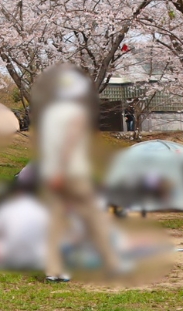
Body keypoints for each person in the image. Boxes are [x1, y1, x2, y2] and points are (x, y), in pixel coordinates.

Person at [34, 65, 122, 282]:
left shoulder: (48, 114)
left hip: (50, 174)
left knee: (54, 221)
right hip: (72, 173)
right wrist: (62, 169)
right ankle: (111, 263)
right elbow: (70, 142)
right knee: (93, 217)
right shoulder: (77, 113)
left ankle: (53, 269)